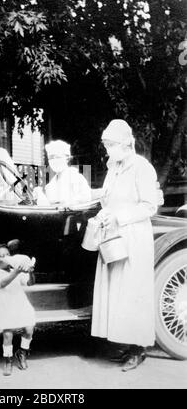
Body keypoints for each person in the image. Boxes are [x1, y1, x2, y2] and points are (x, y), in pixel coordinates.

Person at [91, 119, 159, 372]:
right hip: (115, 237)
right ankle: (127, 345)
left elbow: (149, 206)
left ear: (124, 144)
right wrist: (104, 213)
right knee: (119, 294)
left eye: (110, 145)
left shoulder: (142, 167)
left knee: (133, 292)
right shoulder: (114, 168)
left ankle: (139, 349)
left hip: (134, 237)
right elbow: (108, 198)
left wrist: (119, 215)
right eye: (106, 145)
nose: (108, 150)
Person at [0, 243, 36, 376]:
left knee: (29, 329)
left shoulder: (15, 272)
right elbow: (3, 283)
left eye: (8, 255)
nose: (7, 258)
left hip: (20, 305)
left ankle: (22, 352)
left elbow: (30, 283)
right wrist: (17, 271)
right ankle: (8, 360)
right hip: (4, 308)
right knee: (8, 334)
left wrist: (30, 272)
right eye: (2, 256)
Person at [33, 140, 91, 206]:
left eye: (58, 157)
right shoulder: (49, 186)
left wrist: (65, 203)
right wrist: (39, 194)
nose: (54, 160)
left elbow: (86, 198)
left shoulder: (77, 178)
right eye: (51, 157)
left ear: (67, 159)